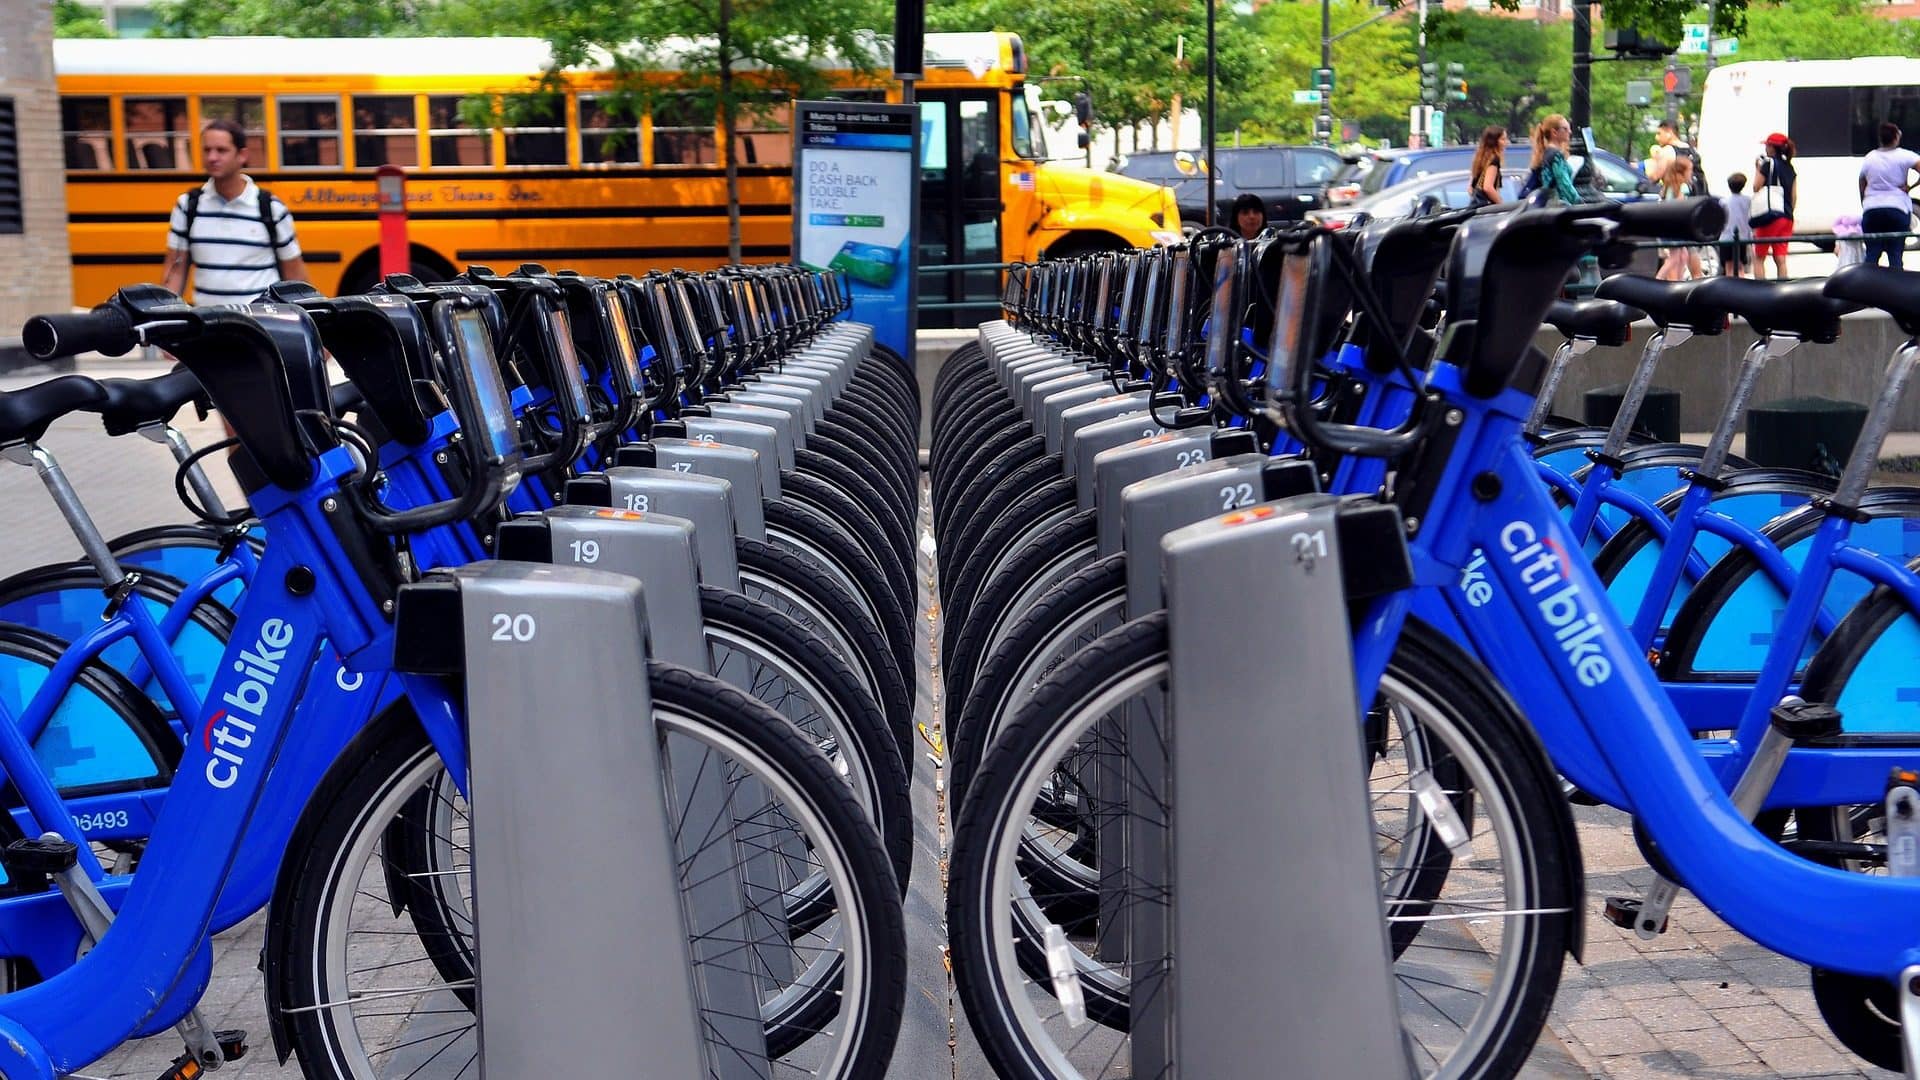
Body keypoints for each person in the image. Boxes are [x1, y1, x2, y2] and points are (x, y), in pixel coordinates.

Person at [161, 119, 307, 303]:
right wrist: (164, 314)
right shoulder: (188, 206)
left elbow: (295, 275)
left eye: (221, 150)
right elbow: (175, 272)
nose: (212, 157)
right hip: (209, 324)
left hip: (261, 325)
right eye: (207, 150)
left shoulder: (271, 208)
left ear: (242, 155)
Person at [1858, 120, 1920, 269]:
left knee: (1872, 253)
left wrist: (1865, 201)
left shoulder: (1870, 157)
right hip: (1897, 208)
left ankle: (1867, 286)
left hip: (1872, 209)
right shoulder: (1904, 155)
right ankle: (1896, 288)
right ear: (1896, 137)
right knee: (1895, 254)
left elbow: (1861, 181)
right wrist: (1911, 187)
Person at [1750, 132, 1797, 280]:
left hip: (1770, 216)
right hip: (1787, 217)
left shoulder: (1767, 164)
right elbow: (1794, 196)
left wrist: (1757, 168)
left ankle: (1760, 291)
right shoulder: (1790, 167)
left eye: (1767, 145)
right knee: (1781, 258)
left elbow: (1756, 187)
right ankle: (1783, 287)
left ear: (1772, 147)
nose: (1765, 148)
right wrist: (1789, 212)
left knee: (1759, 257)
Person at [1656, 155, 1697, 281]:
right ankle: (1657, 280)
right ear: (1681, 173)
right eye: (1689, 170)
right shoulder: (1679, 188)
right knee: (1674, 258)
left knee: (1683, 255)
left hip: (1672, 228)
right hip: (1673, 229)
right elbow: (1678, 208)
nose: (1691, 173)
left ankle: (1678, 282)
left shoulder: (1671, 187)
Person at [1527, 114, 1580, 205]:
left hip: (1550, 204)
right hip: (1560, 205)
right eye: (1565, 129)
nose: (1570, 132)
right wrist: (1580, 203)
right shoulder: (1556, 155)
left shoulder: (1547, 153)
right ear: (1554, 132)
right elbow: (1564, 183)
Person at [1648, 120, 1707, 197]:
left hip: (1675, 200)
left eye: (1659, 133)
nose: (1656, 137)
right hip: (1697, 199)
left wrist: (1654, 161)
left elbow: (1654, 178)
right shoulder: (1692, 150)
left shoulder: (1667, 151)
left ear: (1669, 132)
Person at [1718, 172, 1753, 278]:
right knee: (1740, 265)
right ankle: (1741, 285)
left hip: (1726, 237)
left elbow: (1721, 219)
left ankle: (1729, 288)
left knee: (1728, 266)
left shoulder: (1723, 202)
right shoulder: (1747, 200)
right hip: (1742, 237)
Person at [1469, 126, 1507, 208]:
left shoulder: (1480, 159)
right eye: (1503, 139)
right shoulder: (1494, 160)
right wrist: (1501, 204)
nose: (1506, 142)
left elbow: (1470, 189)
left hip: (1476, 209)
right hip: (1487, 210)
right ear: (1494, 141)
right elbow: (1488, 187)